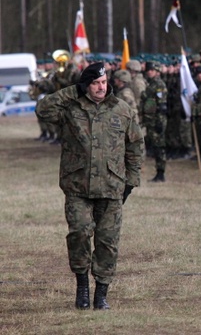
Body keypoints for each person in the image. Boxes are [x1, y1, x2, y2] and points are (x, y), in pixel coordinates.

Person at [35, 62, 144, 310]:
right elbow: (42, 110)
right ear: (86, 85)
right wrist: (73, 90)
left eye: (104, 83)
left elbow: (136, 146)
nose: (100, 87)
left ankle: (101, 293)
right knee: (80, 233)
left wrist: (131, 181)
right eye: (95, 83)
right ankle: (82, 286)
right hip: (78, 186)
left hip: (112, 187)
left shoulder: (121, 109)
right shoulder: (70, 108)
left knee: (108, 241)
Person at [141, 61, 168, 182]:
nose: (149, 72)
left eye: (151, 70)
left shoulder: (159, 84)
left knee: (159, 146)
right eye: (148, 71)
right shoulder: (150, 83)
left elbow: (162, 105)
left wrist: (160, 122)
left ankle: (161, 172)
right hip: (150, 119)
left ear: (157, 71)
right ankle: (158, 171)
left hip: (157, 119)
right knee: (155, 146)